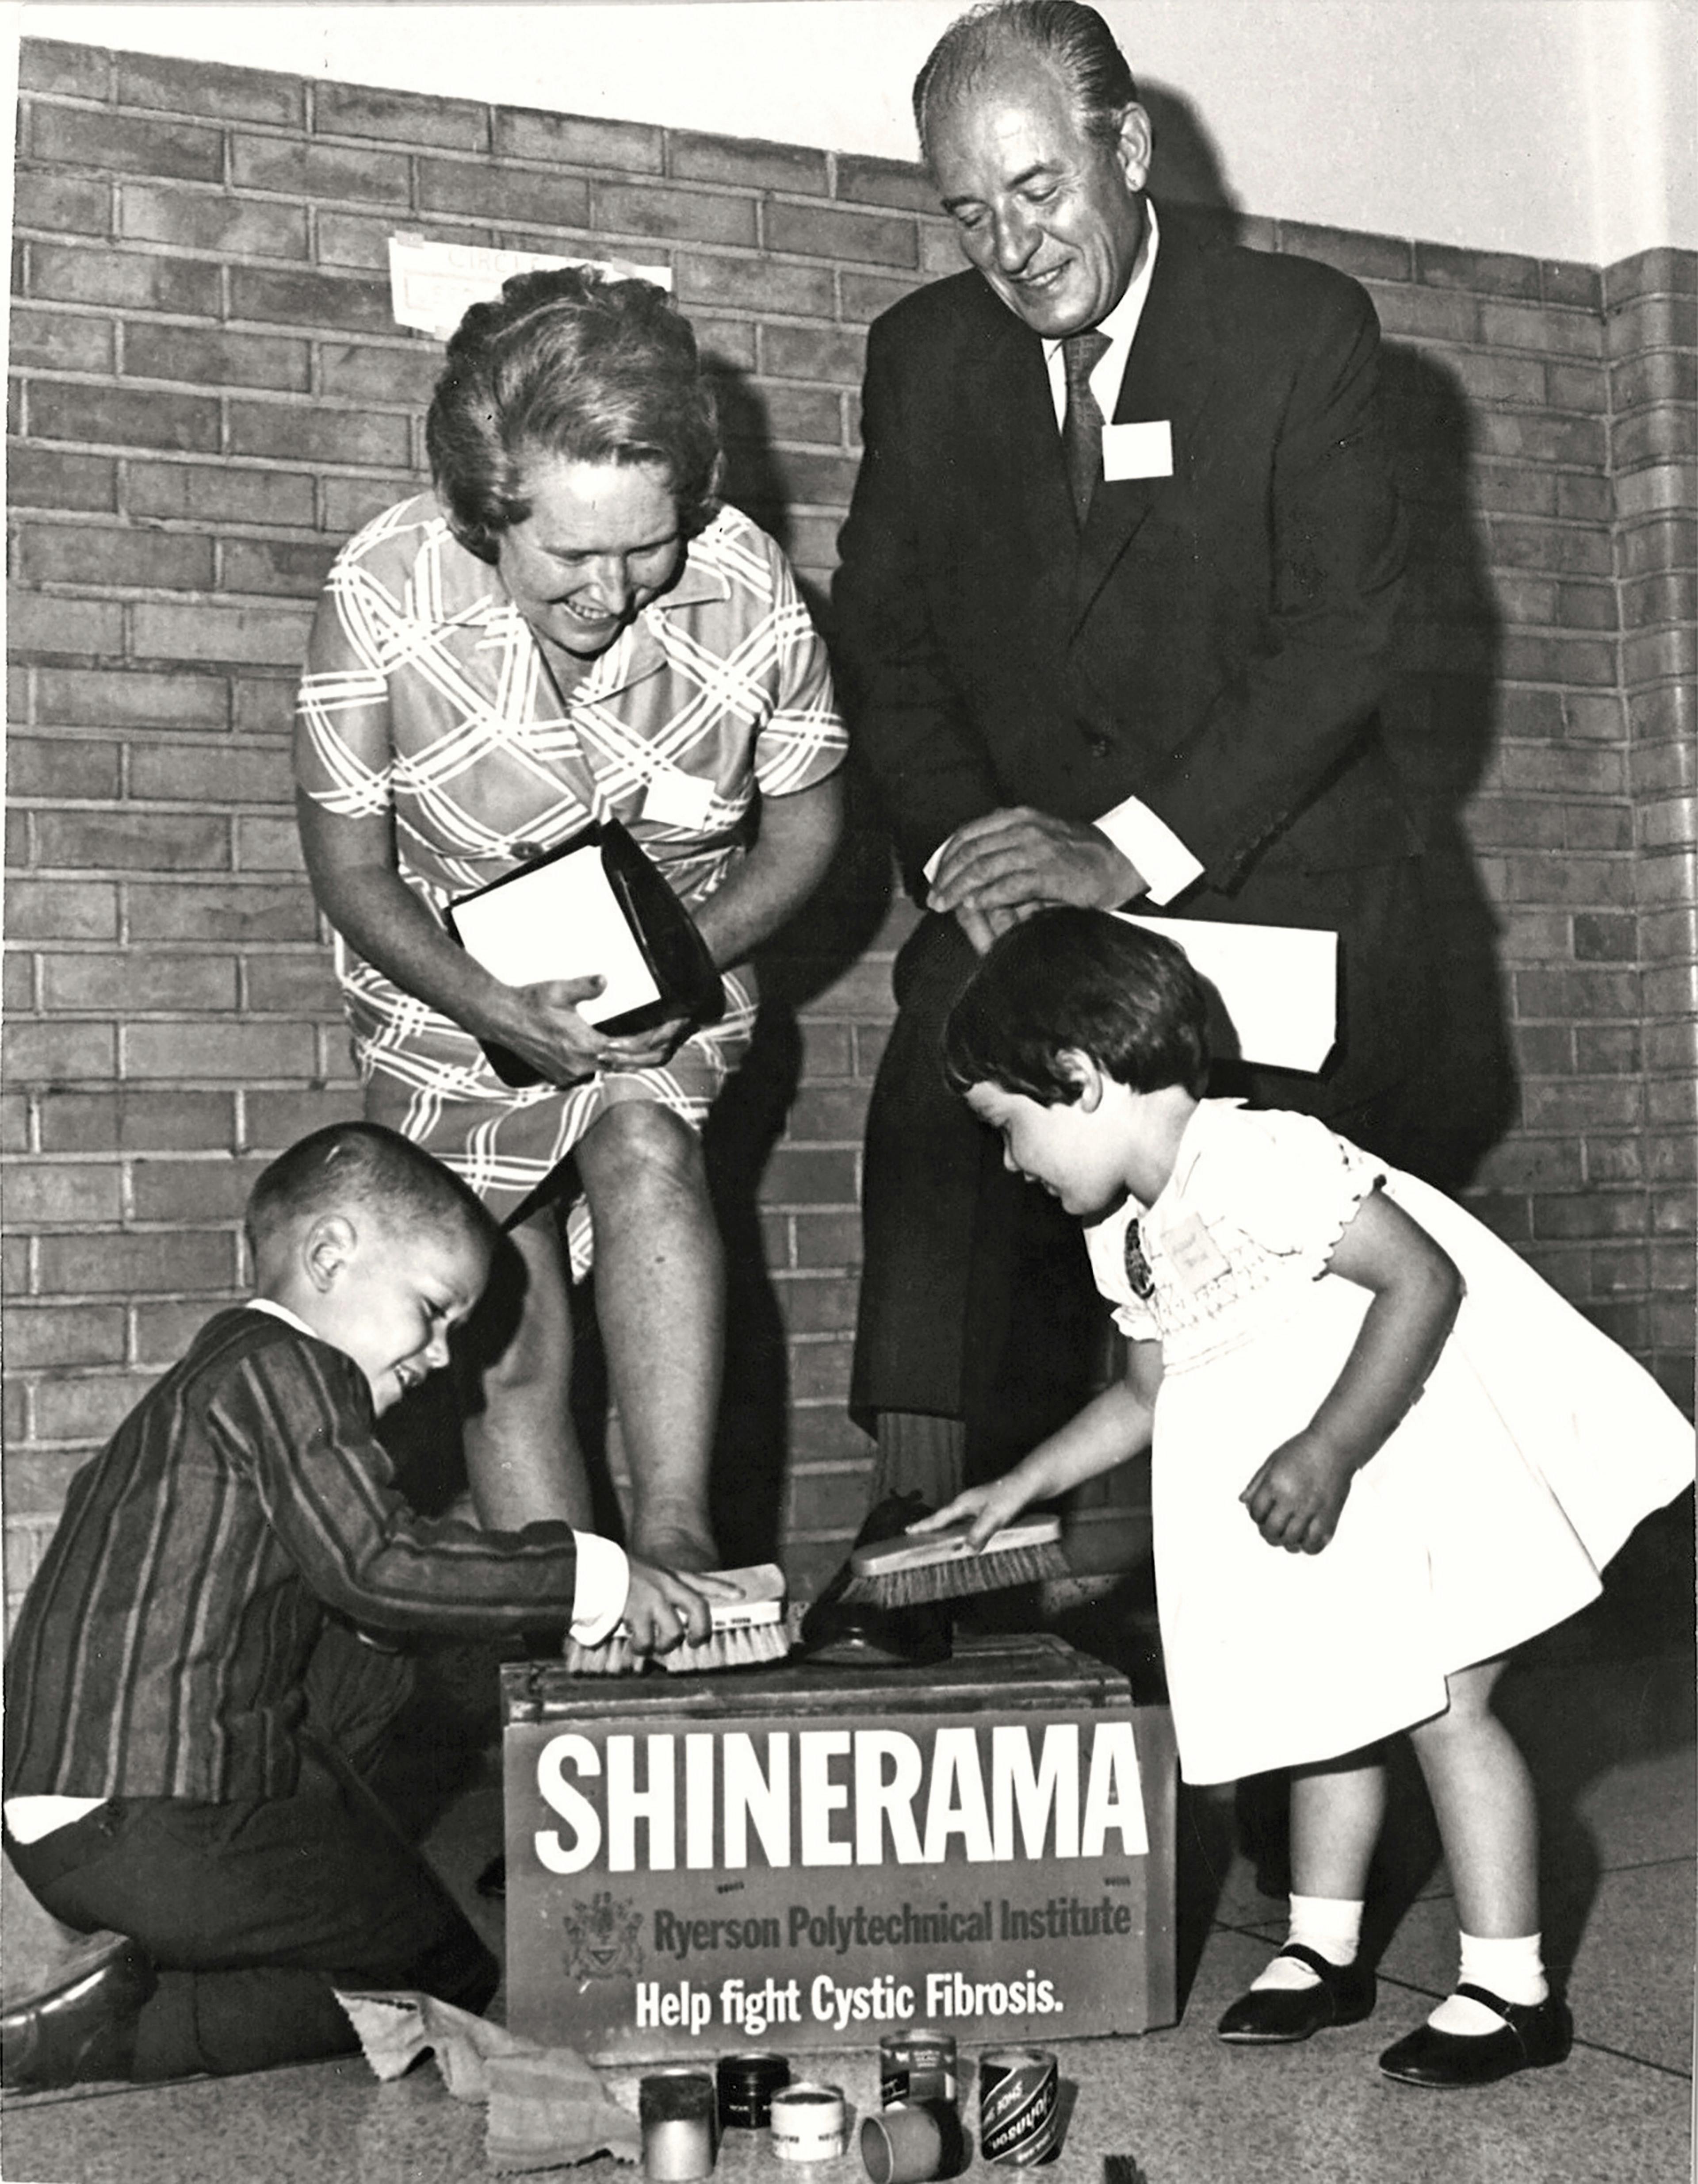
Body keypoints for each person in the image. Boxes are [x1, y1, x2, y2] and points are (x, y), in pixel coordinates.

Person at [913, 908, 1694, 2088]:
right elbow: (1145, 1389)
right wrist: (1021, 1483)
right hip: (1313, 1488)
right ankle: (1325, 1949)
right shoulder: (1122, 1223)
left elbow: (1422, 1279)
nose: (1012, 1164)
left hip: (1401, 1451)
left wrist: (1330, 1447)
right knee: (1320, 1701)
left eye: (1008, 1130)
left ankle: (1511, 1985)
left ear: (1077, 1077)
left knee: (1444, 1705)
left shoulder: (1256, 1159)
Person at [833, 0, 1432, 1498]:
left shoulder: (1301, 329)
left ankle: (1260, 1555)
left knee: (1257, 1235)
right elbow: (889, 651)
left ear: (1131, 149)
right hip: (1031, 912)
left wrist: (1127, 848)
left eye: (1039, 191)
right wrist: (975, 859)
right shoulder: (921, 361)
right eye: (968, 213)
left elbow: (1342, 642)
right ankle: (936, 1534)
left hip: (1268, 900)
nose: (1012, 246)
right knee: (937, 1087)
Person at [296, 267, 846, 1569]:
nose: (614, 591)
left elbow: (810, 829)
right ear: (486, 513)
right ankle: (579, 1613)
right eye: (571, 556)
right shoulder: (381, 593)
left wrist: (669, 964)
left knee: (648, 1154)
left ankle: (679, 1539)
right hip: (447, 993)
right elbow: (351, 871)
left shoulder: (751, 587)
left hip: (680, 955)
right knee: (508, 1306)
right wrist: (491, 1005)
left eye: (646, 545)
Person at [0, 1123, 728, 2092]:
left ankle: (162, 1961)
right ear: (331, 1257)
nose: (435, 1356)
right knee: (445, 1972)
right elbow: (377, 1562)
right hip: (154, 1815)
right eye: (429, 1312)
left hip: (77, 1817)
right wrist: (597, 1578)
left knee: (396, 1646)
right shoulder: (286, 1369)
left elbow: (362, 1611)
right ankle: (113, 2033)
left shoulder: (215, 1381)